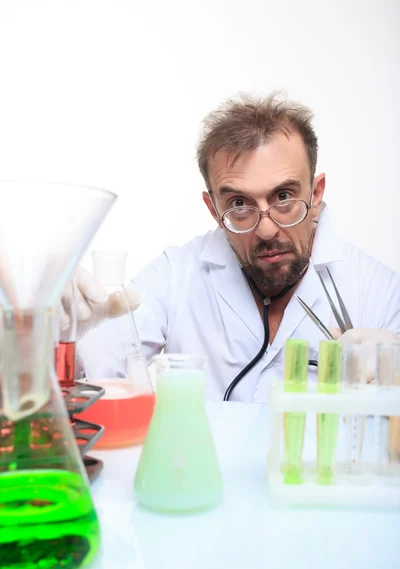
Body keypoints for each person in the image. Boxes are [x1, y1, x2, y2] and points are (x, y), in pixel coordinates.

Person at [74, 92, 400, 402]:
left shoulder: (379, 291)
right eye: (240, 203)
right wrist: (51, 324)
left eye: (284, 197)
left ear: (316, 194)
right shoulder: (176, 274)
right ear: (213, 209)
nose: (267, 228)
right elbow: (95, 366)